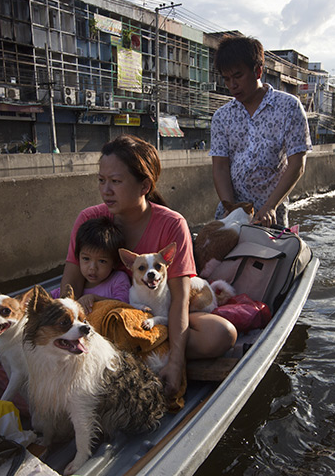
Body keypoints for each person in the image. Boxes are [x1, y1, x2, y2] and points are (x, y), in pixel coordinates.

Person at [60, 134, 237, 398]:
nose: (106, 190)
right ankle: (138, 353)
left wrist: (177, 363)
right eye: (101, 180)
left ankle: (137, 353)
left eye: (116, 181)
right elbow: (70, 285)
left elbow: (179, 298)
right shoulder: (89, 219)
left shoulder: (172, 224)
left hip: (155, 318)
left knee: (221, 333)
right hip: (104, 317)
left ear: (144, 186)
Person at [209, 35, 312, 227]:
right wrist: (230, 208)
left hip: (270, 215)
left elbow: (297, 163)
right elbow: (220, 166)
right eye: (227, 79)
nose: (232, 85)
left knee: (271, 255)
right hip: (231, 215)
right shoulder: (222, 117)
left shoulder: (288, 107)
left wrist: (270, 206)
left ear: (258, 71)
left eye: (238, 76)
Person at [49, 217, 130, 313]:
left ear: (115, 262)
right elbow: (49, 299)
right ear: (78, 257)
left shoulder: (118, 280)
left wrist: (95, 299)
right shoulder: (75, 284)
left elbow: (124, 306)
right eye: (86, 259)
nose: (92, 268)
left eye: (102, 261)